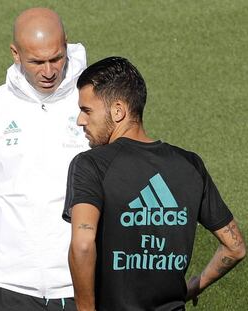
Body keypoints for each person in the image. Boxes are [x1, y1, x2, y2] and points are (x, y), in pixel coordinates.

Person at [62, 56, 246, 311]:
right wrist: (193, 286)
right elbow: (235, 247)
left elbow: (82, 244)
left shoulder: (91, 165)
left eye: (87, 110)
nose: (80, 120)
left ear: (118, 110)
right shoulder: (190, 165)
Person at [0, 7, 89, 311]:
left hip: (81, 287)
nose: (49, 71)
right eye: (36, 62)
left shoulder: (93, 103)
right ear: (16, 54)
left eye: (56, 58)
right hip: (9, 290)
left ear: (66, 45)